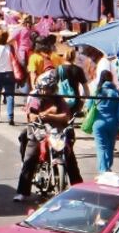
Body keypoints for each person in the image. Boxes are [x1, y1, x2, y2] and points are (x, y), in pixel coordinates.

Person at [14, 70, 82, 202]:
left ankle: (79, 189)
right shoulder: (35, 97)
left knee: (70, 158)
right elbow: (32, 116)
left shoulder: (58, 99)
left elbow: (66, 116)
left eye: (49, 89)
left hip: (57, 133)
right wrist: (46, 114)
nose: (46, 92)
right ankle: (22, 191)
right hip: (39, 132)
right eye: (44, 89)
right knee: (30, 157)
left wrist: (50, 116)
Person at [92, 70, 119, 174]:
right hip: (112, 123)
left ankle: (103, 171)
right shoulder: (116, 92)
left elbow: (88, 107)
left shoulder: (97, 91)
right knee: (110, 147)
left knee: (101, 148)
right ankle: (108, 168)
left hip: (99, 122)